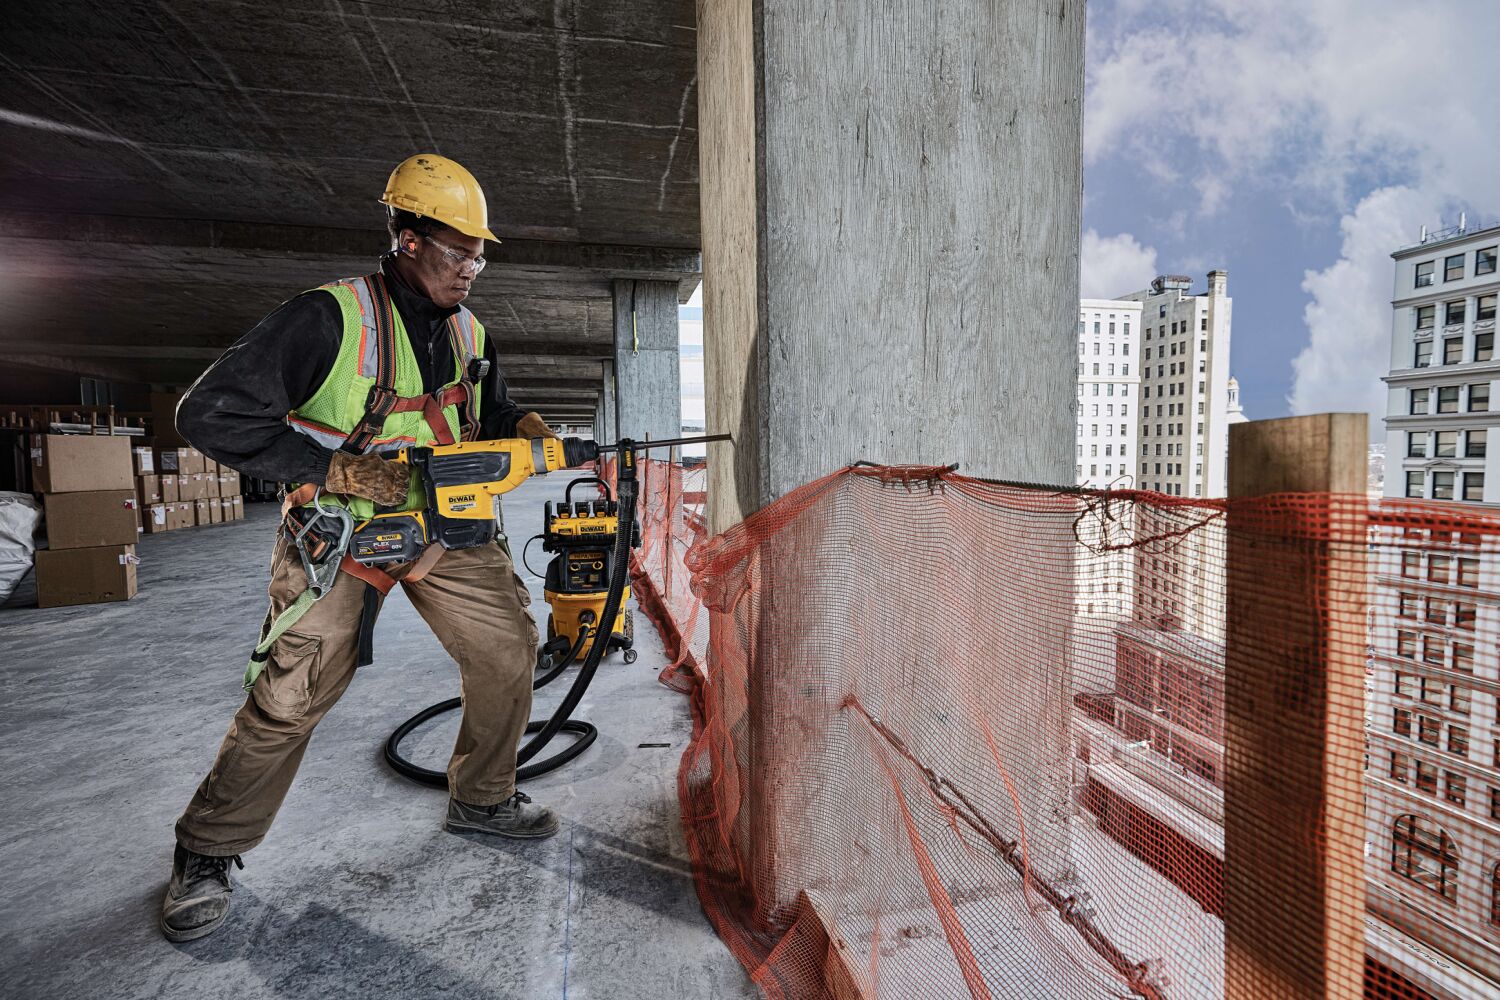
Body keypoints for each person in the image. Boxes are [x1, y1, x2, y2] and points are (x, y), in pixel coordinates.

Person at [160, 154, 560, 944]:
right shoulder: (329, 318)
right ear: (408, 239)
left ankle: (482, 797)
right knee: (293, 690)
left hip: (442, 526)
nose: (471, 268)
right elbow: (209, 413)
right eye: (458, 251)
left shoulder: (471, 330)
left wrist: (528, 428)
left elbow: (490, 410)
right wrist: (337, 469)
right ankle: (205, 850)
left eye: (478, 255)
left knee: (508, 648)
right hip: (339, 531)